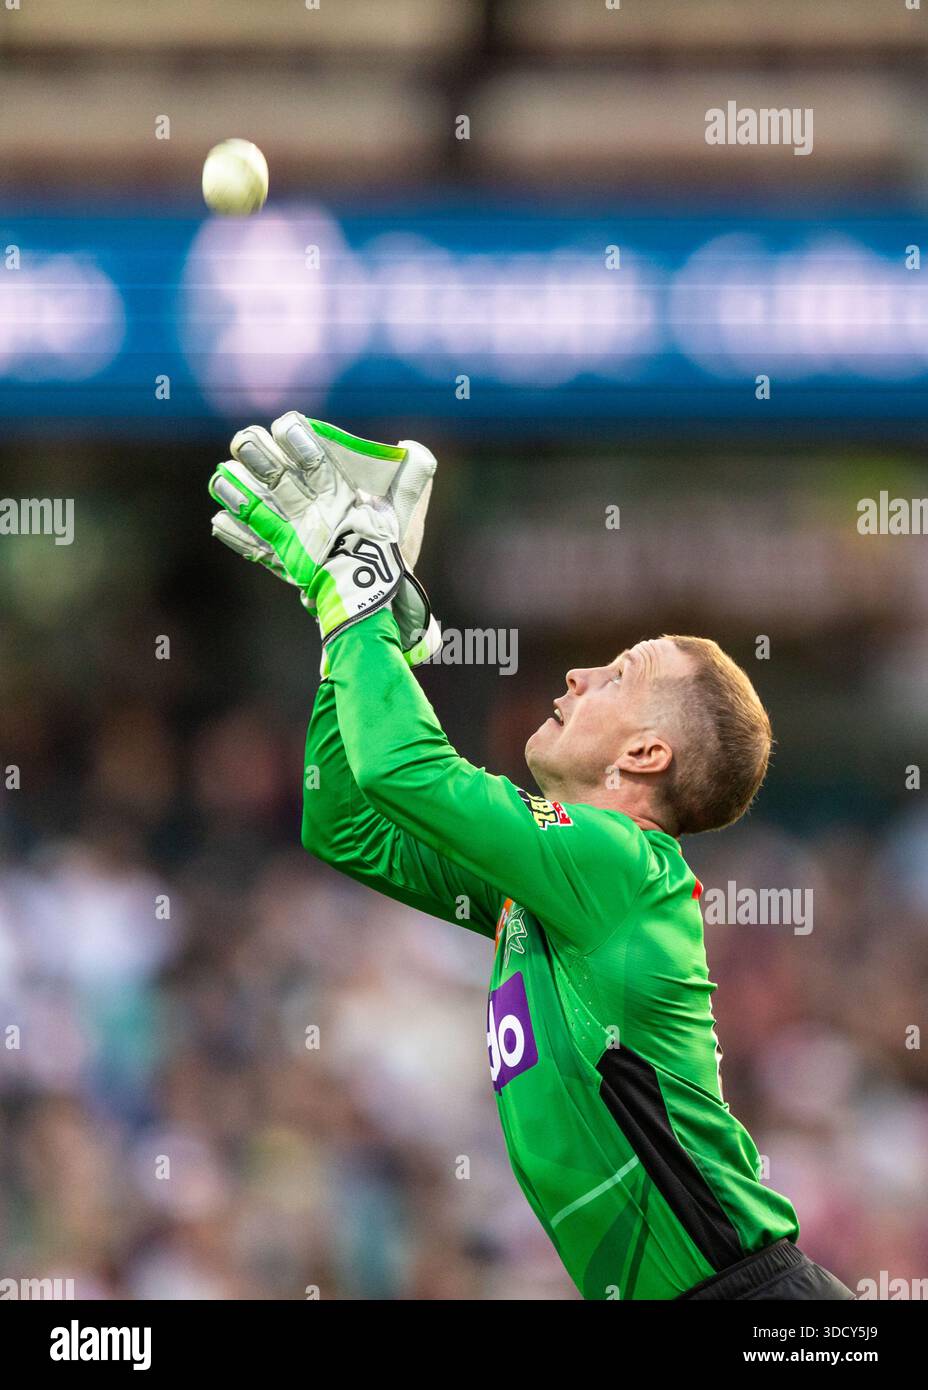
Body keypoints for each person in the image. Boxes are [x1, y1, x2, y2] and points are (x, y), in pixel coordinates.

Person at [209, 413, 855, 1302]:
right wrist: (355, 634)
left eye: (618, 676)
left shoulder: (620, 866)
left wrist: (355, 599)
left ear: (645, 757)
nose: (577, 679)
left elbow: (407, 772)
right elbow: (346, 823)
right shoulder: (550, 888)